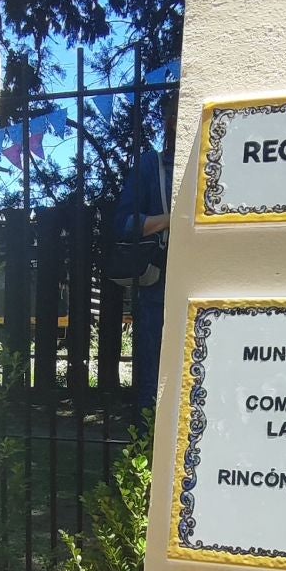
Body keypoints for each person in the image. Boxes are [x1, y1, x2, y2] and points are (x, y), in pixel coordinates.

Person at [115, 102, 175, 408]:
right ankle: (147, 448)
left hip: (206, 276)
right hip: (160, 285)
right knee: (153, 374)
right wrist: (170, 220)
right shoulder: (152, 165)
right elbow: (123, 224)